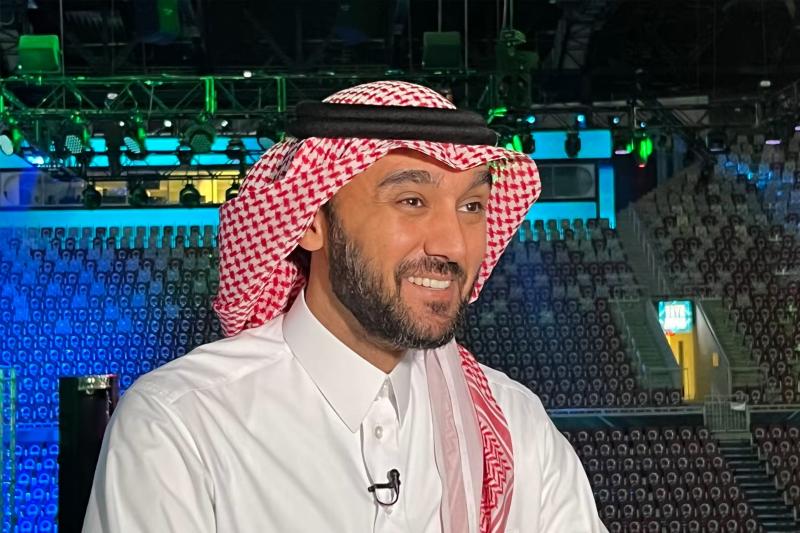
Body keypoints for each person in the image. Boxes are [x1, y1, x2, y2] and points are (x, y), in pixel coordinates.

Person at [84, 81, 606, 533]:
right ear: (311, 221)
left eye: (472, 206)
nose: (453, 244)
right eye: (412, 201)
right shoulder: (182, 425)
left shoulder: (516, 423)